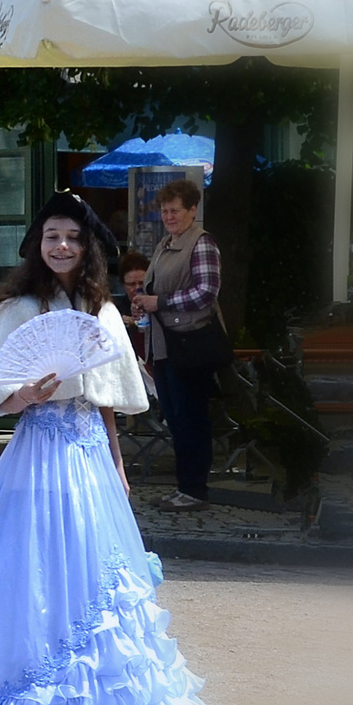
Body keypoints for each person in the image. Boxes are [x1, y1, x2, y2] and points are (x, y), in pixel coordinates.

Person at [0, 191, 211, 705]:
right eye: (51, 237)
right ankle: (25, 680)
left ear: (86, 247)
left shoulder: (100, 310)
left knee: (93, 557)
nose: (61, 246)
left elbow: (105, 394)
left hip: (87, 447)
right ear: (37, 247)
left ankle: (101, 695)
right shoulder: (14, 310)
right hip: (38, 445)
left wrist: (115, 457)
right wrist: (26, 393)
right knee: (30, 555)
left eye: (71, 237)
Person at [133, 178, 221, 510]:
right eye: (165, 210)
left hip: (190, 345)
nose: (169, 216)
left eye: (175, 210)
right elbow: (154, 289)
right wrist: (143, 301)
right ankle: (185, 487)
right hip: (166, 346)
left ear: (193, 210)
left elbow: (206, 293)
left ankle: (195, 490)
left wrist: (160, 302)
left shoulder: (201, 244)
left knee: (191, 419)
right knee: (176, 419)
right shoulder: (166, 243)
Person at [118, 250, 158, 399]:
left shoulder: (156, 303)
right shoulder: (117, 307)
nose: (137, 288)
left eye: (141, 283)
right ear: (123, 285)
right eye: (131, 284)